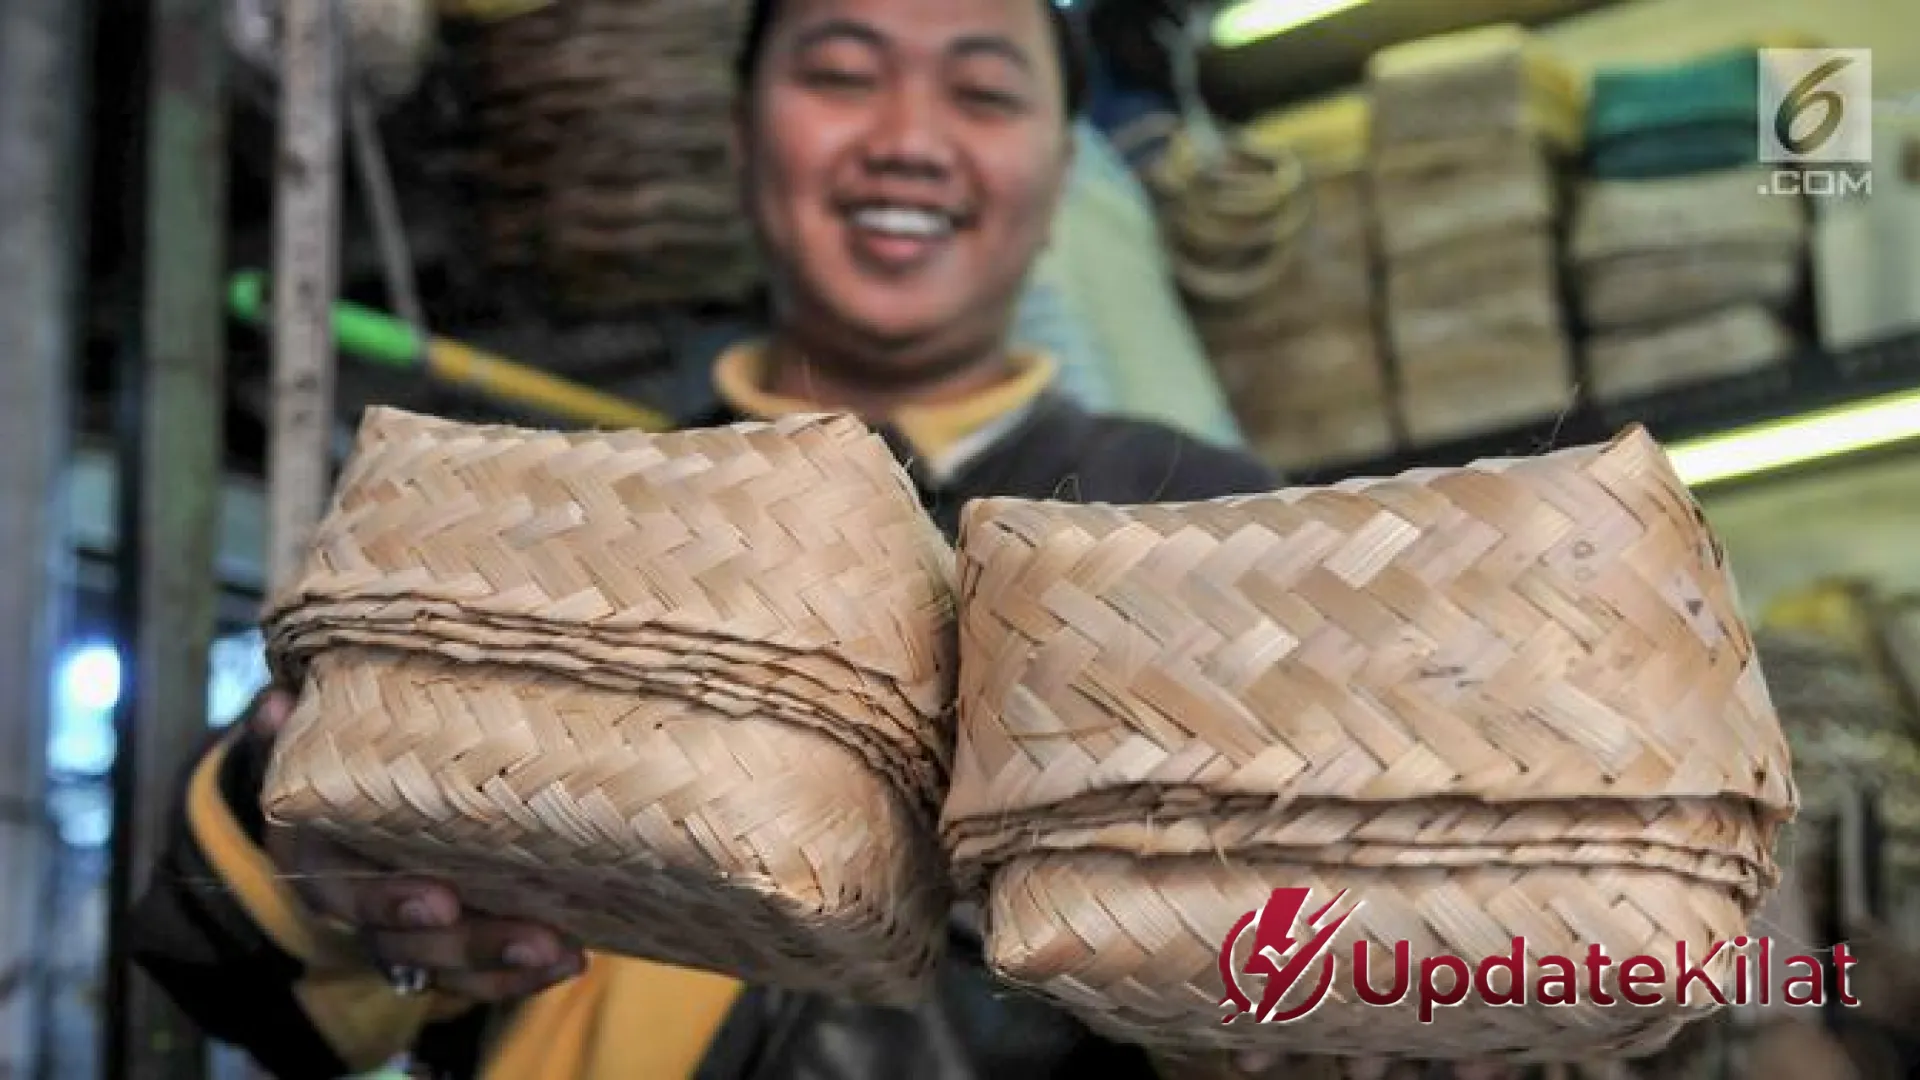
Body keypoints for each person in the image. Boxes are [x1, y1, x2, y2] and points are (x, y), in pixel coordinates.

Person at [126, 1, 1504, 1077]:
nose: (908, 135)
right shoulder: (573, 505)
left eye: (982, 89)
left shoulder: (1203, 524)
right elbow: (226, 973)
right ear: (741, 136)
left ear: (1055, 163)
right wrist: (300, 822)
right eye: (842, 72)